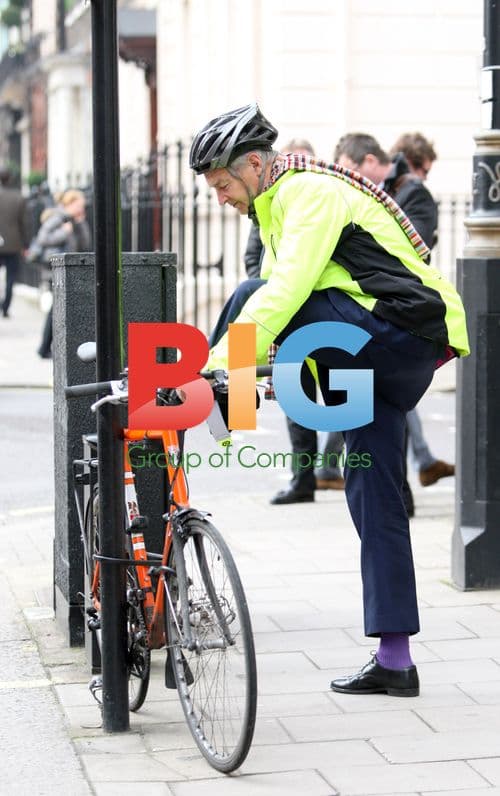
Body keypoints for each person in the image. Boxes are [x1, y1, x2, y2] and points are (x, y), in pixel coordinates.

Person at [190, 103, 469, 697]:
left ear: (256, 165)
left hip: (400, 329)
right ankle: (395, 660)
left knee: (253, 293)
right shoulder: (271, 213)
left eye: (221, 185)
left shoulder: (307, 192)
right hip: (376, 356)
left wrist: (220, 367)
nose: (219, 198)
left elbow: (285, 293)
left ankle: (224, 403)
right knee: (373, 496)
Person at [333, 133, 454, 509]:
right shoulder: (363, 193)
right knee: (370, 409)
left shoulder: (409, 191)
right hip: (372, 311)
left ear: (370, 162)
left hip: (398, 315)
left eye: (351, 170)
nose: (347, 177)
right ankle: (395, 485)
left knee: (385, 405)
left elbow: (410, 249)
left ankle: (398, 488)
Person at [241, 138, 346, 504]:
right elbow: (253, 256)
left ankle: (350, 473)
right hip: (286, 313)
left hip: (324, 314)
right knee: (295, 398)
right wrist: (268, 287)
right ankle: (304, 479)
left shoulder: (319, 201)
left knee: (346, 401)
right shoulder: (266, 207)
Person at [34, 189, 91, 358]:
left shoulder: (74, 220)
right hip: (55, 271)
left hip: (68, 272)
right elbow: (42, 238)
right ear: (70, 204)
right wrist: (63, 232)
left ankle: (48, 347)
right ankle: (44, 347)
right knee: (56, 310)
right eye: (79, 205)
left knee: (58, 309)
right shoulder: (57, 217)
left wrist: (80, 223)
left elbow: (86, 244)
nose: (81, 209)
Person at [0, 167, 29, 318]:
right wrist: (26, 244)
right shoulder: (19, 197)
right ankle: (5, 307)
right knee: (11, 277)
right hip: (13, 243)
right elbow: (23, 223)